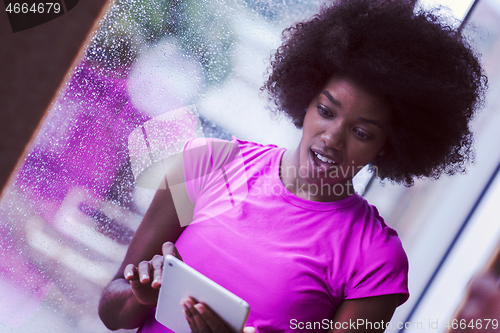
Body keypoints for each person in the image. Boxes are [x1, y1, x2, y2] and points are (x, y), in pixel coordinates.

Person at [98, 0, 486, 332]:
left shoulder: (375, 260)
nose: (332, 138)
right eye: (325, 111)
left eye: (362, 133)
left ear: (390, 146)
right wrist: (141, 296)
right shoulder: (205, 163)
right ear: (305, 97)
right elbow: (111, 311)